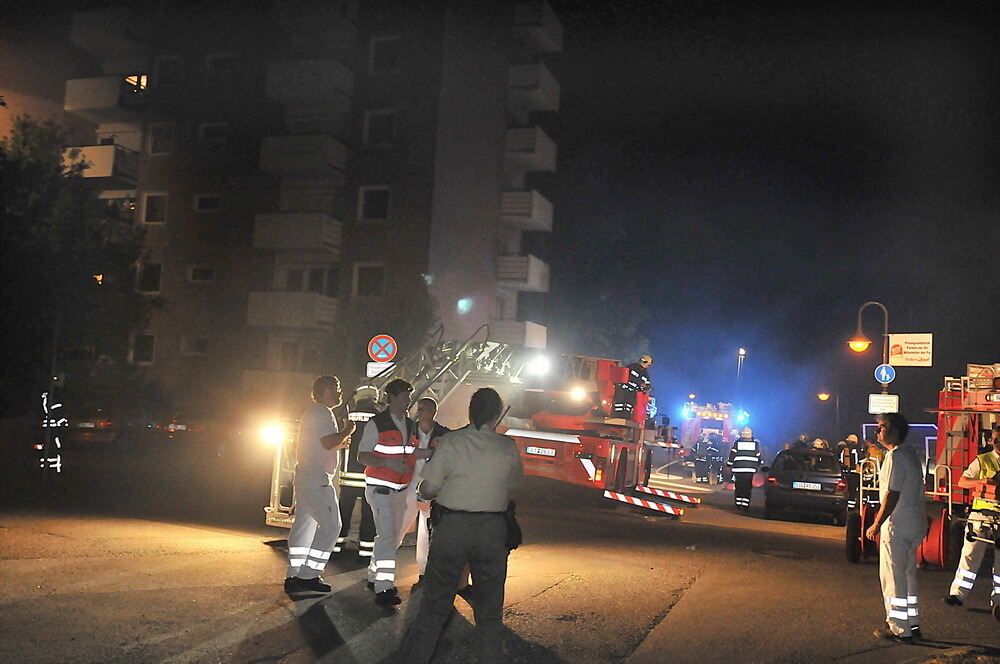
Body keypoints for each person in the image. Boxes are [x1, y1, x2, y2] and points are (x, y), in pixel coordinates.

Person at [399, 388, 523, 664]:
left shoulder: (452, 443)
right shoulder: (507, 447)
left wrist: (423, 491)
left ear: (471, 412)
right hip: (493, 531)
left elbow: (429, 488)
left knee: (433, 609)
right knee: (490, 613)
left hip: (452, 528)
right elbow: (513, 491)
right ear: (496, 415)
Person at [357, 379, 427, 606]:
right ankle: (384, 588)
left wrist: (435, 452)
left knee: (390, 536)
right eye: (405, 395)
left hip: (399, 490)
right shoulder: (376, 424)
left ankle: (373, 574)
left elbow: (412, 453)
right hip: (380, 488)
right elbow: (362, 456)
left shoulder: (410, 425)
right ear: (393, 398)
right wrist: (388, 462)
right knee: (387, 536)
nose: (409, 400)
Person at [284, 375, 356, 594]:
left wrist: (339, 442)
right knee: (332, 526)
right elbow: (326, 442)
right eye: (336, 388)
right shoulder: (323, 412)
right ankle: (309, 575)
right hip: (317, 480)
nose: (339, 392)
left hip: (307, 477)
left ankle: (294, 575)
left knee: (304, 528)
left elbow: (321, 444)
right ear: (324, 389)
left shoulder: (314, 412)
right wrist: (347, 431)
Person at [865, 412, 925, 643]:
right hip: (913, 523)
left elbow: (891, 494)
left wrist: (876, 523)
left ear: (896, 431)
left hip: (897, 526)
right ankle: (912, 622)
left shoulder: (895, 457)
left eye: (882, 426)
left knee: (892, 577)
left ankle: (898, 628)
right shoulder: (910, 454)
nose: (878, 430)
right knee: (908, 575)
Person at [944, 424, 1000, 618]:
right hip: (980, 517)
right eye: (995, 438)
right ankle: (957, 595)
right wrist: (981, 483)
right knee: (969, 557)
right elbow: (962, 481)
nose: (997, 442)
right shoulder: (983, 461)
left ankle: (999, 603)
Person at [397, 397, 450, 580]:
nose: (422, 411)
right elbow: (398, 451)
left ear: (434, 411)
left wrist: (422, 453)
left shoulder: (443, 433)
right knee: (398, 527)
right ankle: (378, 567)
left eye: (426, 408)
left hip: (431, 488)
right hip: (408, 485)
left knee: (427, 531)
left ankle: (424, 570)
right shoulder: (407, 430)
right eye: (420, 408)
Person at [334, 407, 376, 564]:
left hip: (348, 477)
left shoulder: (348, 414)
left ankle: (336, 549)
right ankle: (365, 554)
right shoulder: (379, 417)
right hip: (368, 477)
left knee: (343, 514)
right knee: (368, 517)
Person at [726, 426, 761, 511]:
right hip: (750, 470)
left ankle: (738, 504)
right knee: (747, 487)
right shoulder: (755, 444)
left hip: (738, 469)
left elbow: (732, 455)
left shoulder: (737, 443)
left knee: (739, 486)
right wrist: (759, 464)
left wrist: (729, 465)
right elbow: (758, 456)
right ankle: (745, 505)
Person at [611, 355, 653, 419]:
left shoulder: (645, 374)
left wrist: (646, 387)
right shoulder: (632, 367)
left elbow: (647, 384)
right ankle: (617, 416)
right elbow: (624, 376)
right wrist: (641, 385)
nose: (648, 366)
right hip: (623, 389)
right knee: (619, 404)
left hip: (632, 392)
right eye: (648, 364)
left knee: (628, 405)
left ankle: (625, 416)